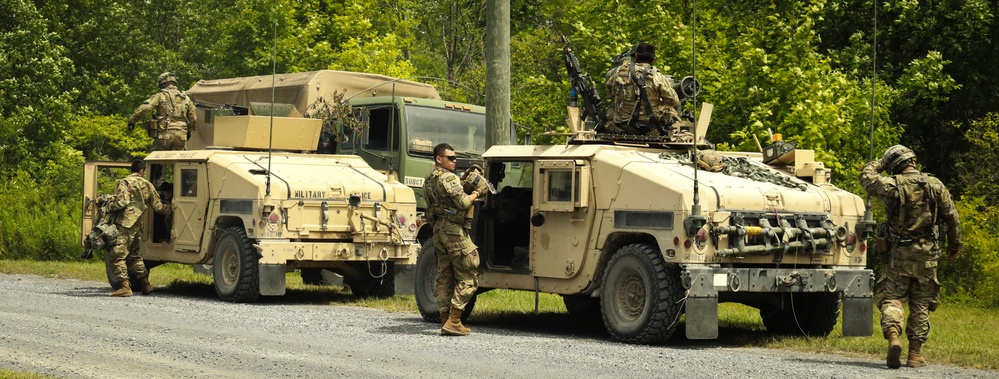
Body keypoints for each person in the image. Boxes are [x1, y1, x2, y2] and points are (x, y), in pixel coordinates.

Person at [860, 144, 961, 369]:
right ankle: (914, 354)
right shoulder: (935, 185)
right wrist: (955, 243)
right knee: (921, 303)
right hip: (927, 255)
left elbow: (866, 177)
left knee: (892, 298)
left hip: (898, 254)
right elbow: (952, 218)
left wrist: (880, 163)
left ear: (895, 165)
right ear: (912, 160)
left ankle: (894, 336)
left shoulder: (891, 185)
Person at [423, 143, 487, 336]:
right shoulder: (448, 178)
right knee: (469, 273)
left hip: (439, 230)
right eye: (450, 158)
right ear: (438, 159)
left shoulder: (429, 180)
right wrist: (478, 192)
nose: (454, 161)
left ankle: (445, 321)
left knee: (445, 275)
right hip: (453, 231)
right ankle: (454, 321)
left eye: (454, 157)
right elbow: (463, 202)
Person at [105, 160, 172, 297]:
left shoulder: (124, 182)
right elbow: (158, 207)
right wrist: (173, 210)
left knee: (116, 255)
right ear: (142, 171)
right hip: (138, 226)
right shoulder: (148, 184)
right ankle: (146, 284)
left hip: (125, 224)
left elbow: (122, 202)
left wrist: (109, 207)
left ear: (132, 170)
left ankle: (124, 286)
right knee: (134, 256)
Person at [604, 42, 680, 136]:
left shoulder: (619, 72)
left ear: (636, 56)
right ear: (653, 59)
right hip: (649, 129)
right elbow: (674, 101)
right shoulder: (658, 77)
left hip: (623, 127)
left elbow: (610, 90)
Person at [127, 72, 197, 151]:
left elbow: (146, 107)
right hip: (181, 136)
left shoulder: (160, 95)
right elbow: (193, 118)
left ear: (164, 84)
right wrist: (189, 131)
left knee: (156, 160)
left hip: (164, 134)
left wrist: (132, 120)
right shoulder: (185, 98)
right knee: (177, 161)